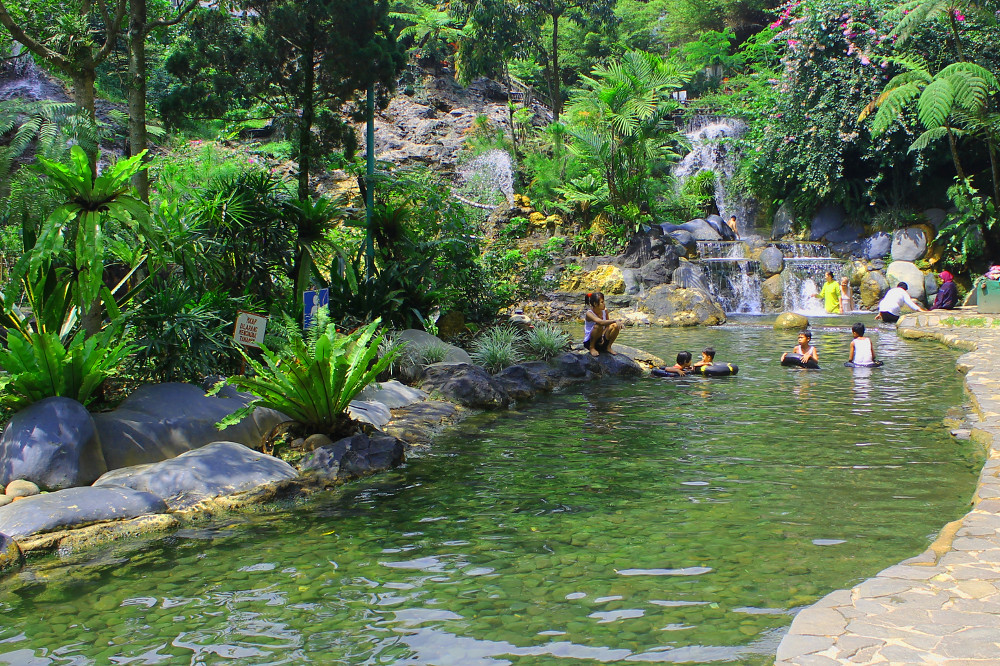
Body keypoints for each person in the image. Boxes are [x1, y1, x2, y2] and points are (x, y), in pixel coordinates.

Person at [583, 291, 620, 357]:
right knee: (598, 326)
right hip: (590, 341)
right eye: (602, 302)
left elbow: (607, 325)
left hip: (601, 338)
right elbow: (601, 322)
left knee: (615, 326)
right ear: (595, 304)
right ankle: (592, 348)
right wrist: (615, 320)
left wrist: (603, 335)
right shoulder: (589, 313)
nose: (604, 304)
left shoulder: (605, 311)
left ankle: (608, 347)